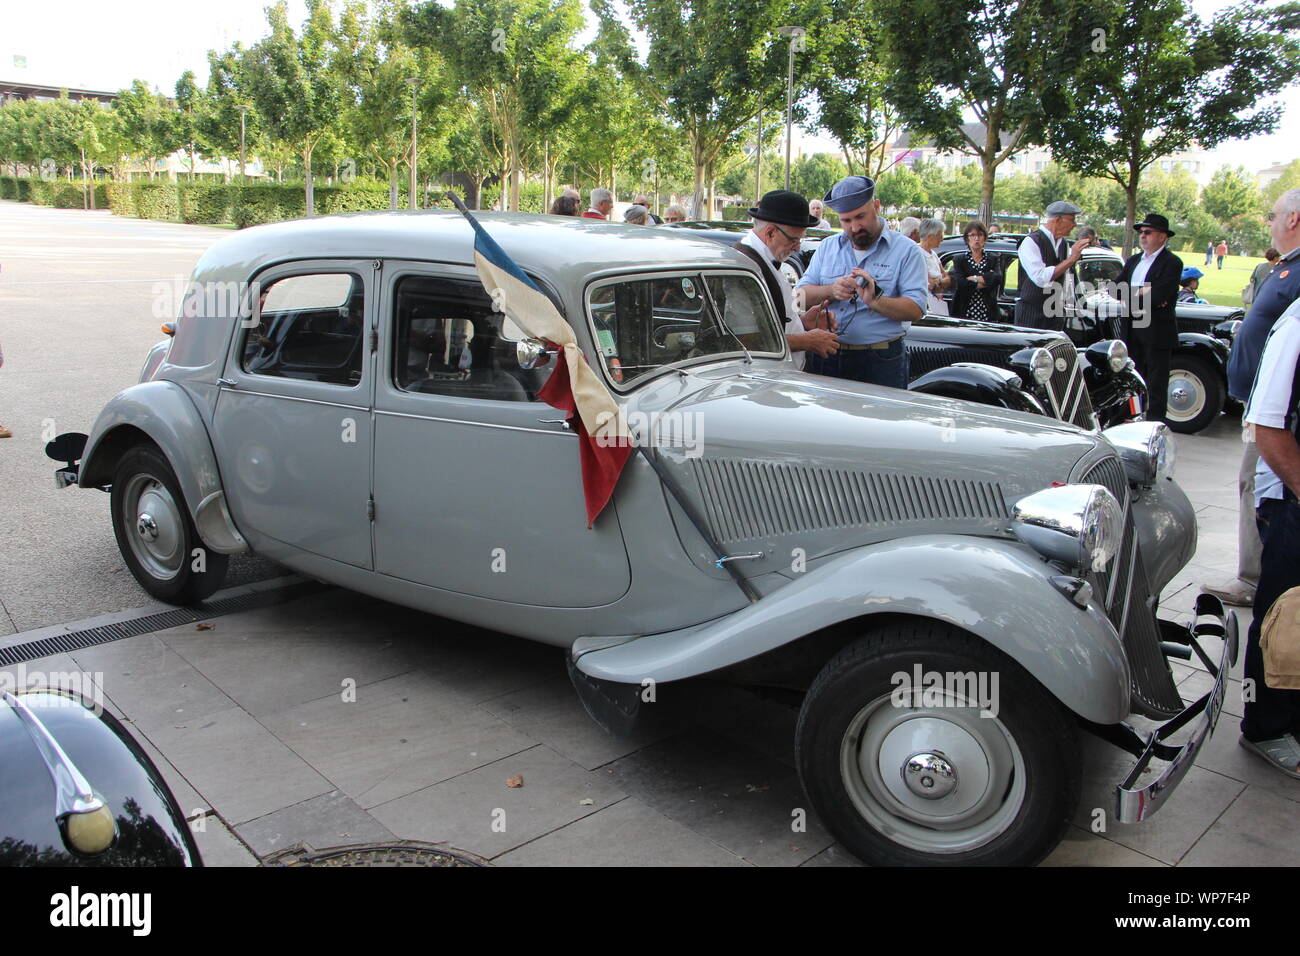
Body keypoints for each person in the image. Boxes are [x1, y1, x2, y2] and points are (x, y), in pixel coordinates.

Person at [1206, 187, 1300, 607]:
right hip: (1264, 407)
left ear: (1293, 219)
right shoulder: (1287, 268)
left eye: (1273, 215)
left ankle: (1255, 580)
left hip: (1275, 416)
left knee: (1259, 490)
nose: (1270, 222)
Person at [1236, 292, 1300, 776]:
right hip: (1292, 502)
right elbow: (1268, 427)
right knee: (1284, 617)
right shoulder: (1297, 324)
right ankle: (1268, 727)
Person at [794, 175, 927, 389]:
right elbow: (798, 299)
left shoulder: (907, 251)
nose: (855, 227)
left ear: (876, 206)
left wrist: (876, 301)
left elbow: (916, 309)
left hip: (881, 360)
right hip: (828, 355)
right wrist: (831, 289)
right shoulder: (828, 247)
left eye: (860, 217)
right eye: (846, 221)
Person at [731, 190, 839, 371]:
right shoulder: (743, 269)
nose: (797, 248)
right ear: (771, 233)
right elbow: (746, 342)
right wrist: (806, 340)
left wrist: (802, 322)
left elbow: (770, 323)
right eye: (794, 240)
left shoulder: (768, 260)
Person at [1113, 213, 1182, 423]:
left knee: (1156, 383)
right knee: (1132, 378)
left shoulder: (1172, 263)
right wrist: (1144, 293)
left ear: (1162, 237)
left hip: (1157, 332)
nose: (1142, 236)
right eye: (1141, 232)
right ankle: (1132, 417)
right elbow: (1114, 290)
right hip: (1131, 329)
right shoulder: (1134, 260)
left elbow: (1160, 296)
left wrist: (1134, 294)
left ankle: (1152, 423)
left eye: (1148, 232)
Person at [1013, 200, 1090, 331]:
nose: (1074, 225)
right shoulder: (1031, 242)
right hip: (1031, 315)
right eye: (1071, 220)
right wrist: (1072, 259)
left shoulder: (1063, 244)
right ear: (1057, 220)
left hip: (1055, 316)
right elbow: (1041, 278)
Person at [947, 220, 1003, 322]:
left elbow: (997, 278)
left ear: (985, 238)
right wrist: (986, 280)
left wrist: (974, 278)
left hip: (987, 312)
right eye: (972, 235)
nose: (976, 238)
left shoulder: (993, 258)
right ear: (967, 238)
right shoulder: (959, 259)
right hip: (964, 312)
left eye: (980, 235)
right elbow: (960, 283)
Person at [917, 218, 951, 315]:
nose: (942, 239)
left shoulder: (934, 254)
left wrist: (938, 281)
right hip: (925, 305)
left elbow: (947, 278)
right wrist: (939, 282)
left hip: (937, 303)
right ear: (930, 237)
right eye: (940, 235)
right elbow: (930, 283)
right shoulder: (917, 254)